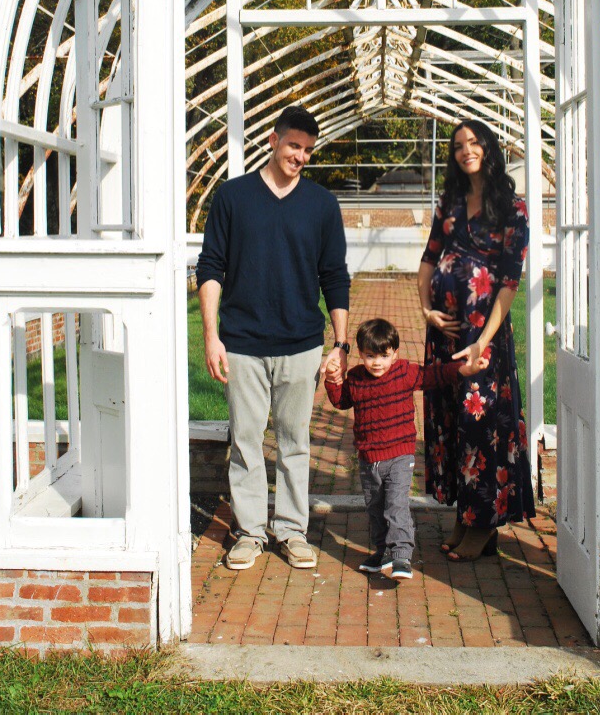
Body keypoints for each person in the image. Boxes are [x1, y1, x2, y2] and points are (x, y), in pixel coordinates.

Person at [196, 106, 350, 571]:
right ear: (273, 140)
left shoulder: (321, 205)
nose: (300, 156)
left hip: (301, 344)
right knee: (245, 442)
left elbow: (334, 275)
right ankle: (249, 533)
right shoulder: (233, 197)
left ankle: (291, 530)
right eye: (293, 146)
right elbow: (211, 266)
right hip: (242, 343)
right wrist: (211, 336)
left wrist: (340, 344)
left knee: (294, 441)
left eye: (308, 150)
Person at [418, 119, 535, 562]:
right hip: (444, 333)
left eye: (473, 142)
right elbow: (428, 259)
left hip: (481, 338)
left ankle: (484, 522)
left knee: (480, 426)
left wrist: (483, 341)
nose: (465, 150)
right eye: (458, 145)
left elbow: (509, 282)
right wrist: (426, 309)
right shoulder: (449, 202)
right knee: (449, 420)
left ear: (488, 147)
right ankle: (464, 514)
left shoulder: (512, 208)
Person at [324, 317, 488, 579]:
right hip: (368, 459)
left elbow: (434, 375)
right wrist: (333, 380)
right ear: (361, 354)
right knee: (376, 509)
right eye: (370, 356)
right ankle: (383, 551)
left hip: (400, 455)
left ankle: (401, 554)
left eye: (384, 355)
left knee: (395, 505)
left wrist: (463, 369)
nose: (377, 362)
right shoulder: (355, 378)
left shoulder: (404, 372)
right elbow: (341, 401)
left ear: (395, 354)